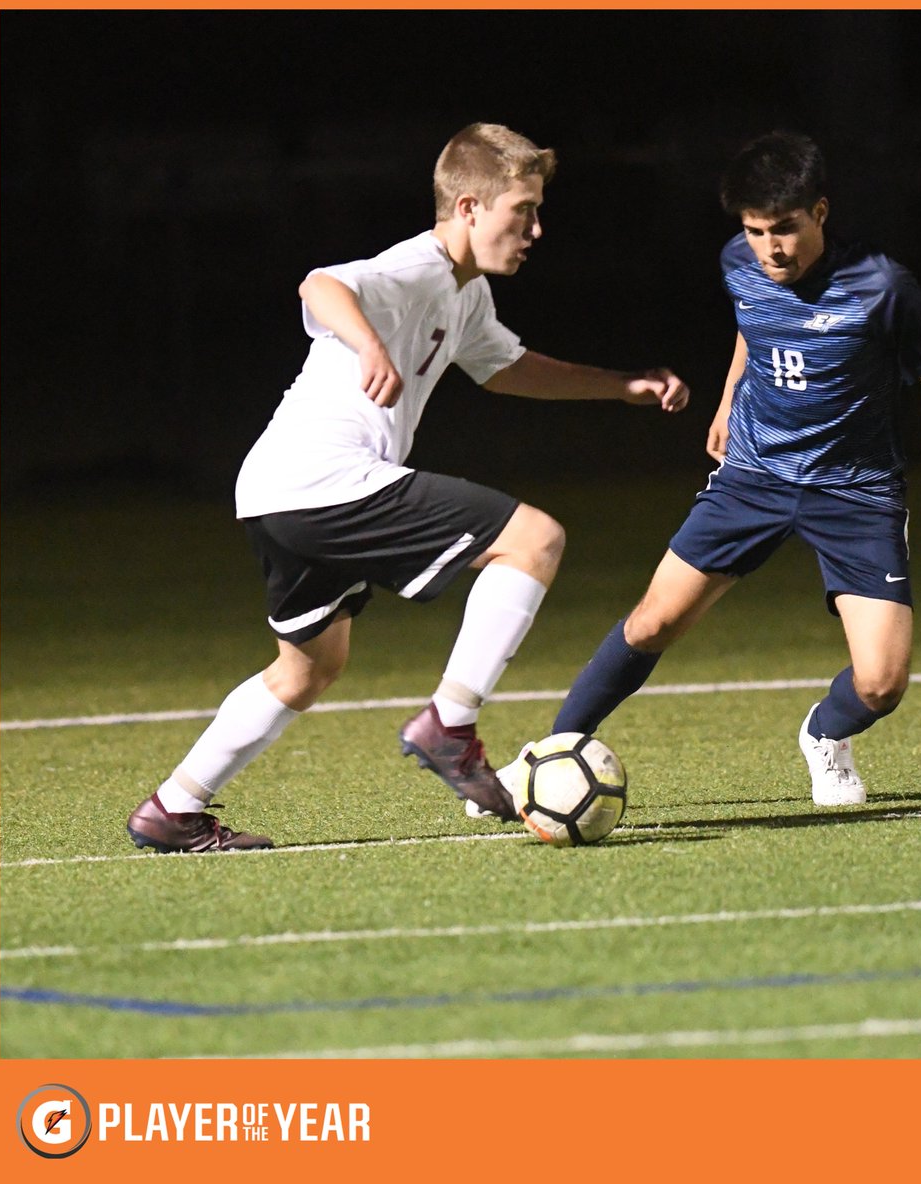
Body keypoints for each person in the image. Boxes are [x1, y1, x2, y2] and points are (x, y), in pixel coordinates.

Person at [126, 122, 688, 853]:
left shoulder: (466, 294)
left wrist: (622, 386)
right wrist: (367, 344)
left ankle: (173, 808)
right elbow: (320, 284)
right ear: (467, 208)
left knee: (307, 669)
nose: (536, 229)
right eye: (523, 211)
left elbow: (506, 366)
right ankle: (450, 725)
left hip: (276, 492)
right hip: (323, 479)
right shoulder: (417, 268)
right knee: (534, 539)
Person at [549, 129, 921, 805]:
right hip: (756, 474)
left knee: (881, 683)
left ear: (821, 213)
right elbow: (754, 321)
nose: (770, 248)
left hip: (855, 491)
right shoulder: (738, 262)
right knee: (652, 622)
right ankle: (551, 751)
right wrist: (727, 400)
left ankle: (824, 732)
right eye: (755, 231)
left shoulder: (883, 286)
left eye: (785, 228)